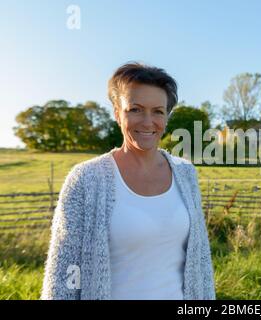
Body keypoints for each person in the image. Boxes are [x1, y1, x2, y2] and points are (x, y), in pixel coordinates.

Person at [41, 62, 216, 300]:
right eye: (135, 109)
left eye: (158, 111)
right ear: (116, 112)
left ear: (166, 116)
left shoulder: (186, 175)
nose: (147, 121)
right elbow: (64, 273)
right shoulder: (86, 179)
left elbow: (201, 263)